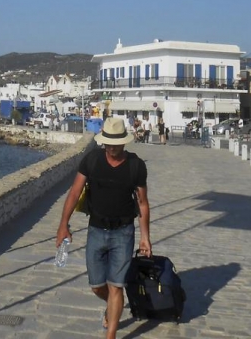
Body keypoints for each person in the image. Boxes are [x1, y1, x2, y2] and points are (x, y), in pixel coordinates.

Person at [57, 117, 151, 339]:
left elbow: (143, 203)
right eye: (107, 142)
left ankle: (111, 333)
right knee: (98, 286)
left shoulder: (136, 166)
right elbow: (73, 193)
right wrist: (63, 226)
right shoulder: (92, 161)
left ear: (124, 142)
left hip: (124, 232)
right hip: (96, 230)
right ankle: (113, 305)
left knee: (116, 286)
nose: (111, 147)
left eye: (115, 143)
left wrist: (145, 237)